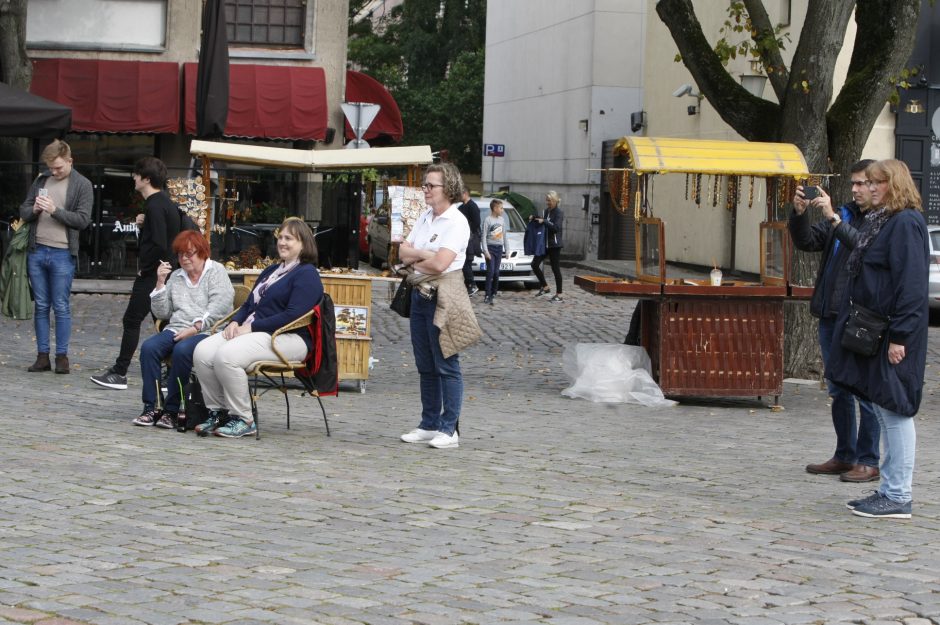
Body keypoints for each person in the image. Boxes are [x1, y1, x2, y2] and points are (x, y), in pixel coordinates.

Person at [827, 159, 929, 519]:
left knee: (896, 410)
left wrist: (900, 336)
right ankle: (889, 489)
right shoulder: (883, 221)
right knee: (886, 410)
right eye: (866, 182)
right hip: (879, 331)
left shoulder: (904, 223)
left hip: (894, 334)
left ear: (892, 184)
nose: (867, 189)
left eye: (874, 183)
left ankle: (898, 495)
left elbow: (912, 287)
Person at [192, 217, 323, 438]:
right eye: (280, 237)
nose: (282, 242)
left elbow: (293, 315)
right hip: (255, 332)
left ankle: (243, 418)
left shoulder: (307, 274)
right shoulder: (271, 271)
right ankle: (219, 411)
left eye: (289, 238)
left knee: (227, 355)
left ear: (303, 243)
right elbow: (249, 304)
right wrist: (235, 321)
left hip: (288, 338)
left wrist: (251, 328)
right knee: (202, 352)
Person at [790, 160, 880, 483]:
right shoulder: (844, 214)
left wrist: (833, 218)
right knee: (838, 388)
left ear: (877, 186)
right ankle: (845, 455)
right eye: (853, 183)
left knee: (864, 391)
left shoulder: (880, 221)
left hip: (860, 319)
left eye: (862, 183)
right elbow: (807, 242)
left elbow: (866, 249)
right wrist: (799, 214)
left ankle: (869, 460)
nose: (855, 189)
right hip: (830, 316)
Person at [399, 163, 482, 449]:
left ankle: (450, 429)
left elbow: (440, 264)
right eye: (424, 185)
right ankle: (429, 423)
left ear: (447, 189)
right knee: (425, 364)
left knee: (446, 363)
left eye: (430, 186)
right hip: (420, 295)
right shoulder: (425, 216)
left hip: (443, 297)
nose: (425, 190)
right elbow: (401, 251)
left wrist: (416, 258)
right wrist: (423, 253)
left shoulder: (457, 222)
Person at [91, 157, 183, 390]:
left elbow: (161, 243)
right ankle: (172, 374)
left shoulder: (154, 204)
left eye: (136, 174)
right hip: (164, 272)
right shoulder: (164, 203)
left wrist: (145, 267)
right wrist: (145, 225)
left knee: (132, 320)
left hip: (154, 274)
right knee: (164, 323)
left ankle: (120, 372)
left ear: (146, 179)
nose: (133, 178)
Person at [132, 231, 234, 430]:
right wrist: (160, 283)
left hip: (208, 330)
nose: (184, 259)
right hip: (177, 328)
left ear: (203, 252)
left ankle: (171, 410)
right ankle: (152, 407)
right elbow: (162, 312)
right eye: (180, 255)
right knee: (149, 348)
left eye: (189, 254)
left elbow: (220, 306)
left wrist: (195, 328)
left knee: (182, 350)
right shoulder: (177, 277)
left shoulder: (216, 271)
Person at [19, 139, 93, 374]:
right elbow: (23, 210)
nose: (54, 171)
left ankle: (62, 356)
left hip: (62, 252)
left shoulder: (82, 184)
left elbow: (82, 220)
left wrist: (55, 211)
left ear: (70, 161)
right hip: (37, 250)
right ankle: (42, 356)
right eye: (51, 167)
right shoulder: (42, 180)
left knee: (60, 305)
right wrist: (34, 210)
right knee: (41, 305)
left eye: (58, 167)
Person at [530, 190, 565, 302]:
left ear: (555, 201)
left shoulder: (559, 213)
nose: (547, 202)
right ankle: (545, 287)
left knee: (555, 269)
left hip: (554, 245)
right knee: (534, 264)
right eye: (547, 200)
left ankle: (559, 294)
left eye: (549, 200)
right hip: (544, 245)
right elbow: (542, 221)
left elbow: (556, 228)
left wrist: (544, 221)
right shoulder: (546, 211)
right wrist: (534, 218)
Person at [482, 198, 509, 305]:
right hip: (490, 248)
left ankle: (494, 292)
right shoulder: (488, 220)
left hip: (499, 248)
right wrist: (485, 251)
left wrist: (507, 250)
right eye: (501, 208)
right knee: (490, 271)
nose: (502, 210)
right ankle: (487, 294)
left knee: (497, 272)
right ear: (495, 208)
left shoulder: (502, 220)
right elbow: (483, 237)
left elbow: (505, 236)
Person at [457, 186, 481, 295]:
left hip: (470, 240)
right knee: (462, 263)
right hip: (461, 239)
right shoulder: (461, 207)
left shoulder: (473, 206)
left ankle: (472, 285)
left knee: (467, 263)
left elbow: (476, 223)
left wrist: (468, 231)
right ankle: (467, 286)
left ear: (465, 193)